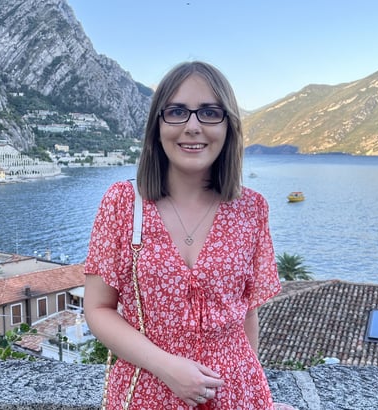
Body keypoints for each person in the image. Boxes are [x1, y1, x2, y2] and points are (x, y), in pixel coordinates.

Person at [84, 61, 288, 409]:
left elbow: (247, 314)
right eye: (177, 111)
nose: (193, 127)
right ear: (157, 125)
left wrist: (258, 396)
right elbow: (98, 308)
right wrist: (167, 367)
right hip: (146, 393)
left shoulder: (252, 208)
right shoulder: (122, 204)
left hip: (235, 395)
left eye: (209, 112)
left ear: (228, 126)